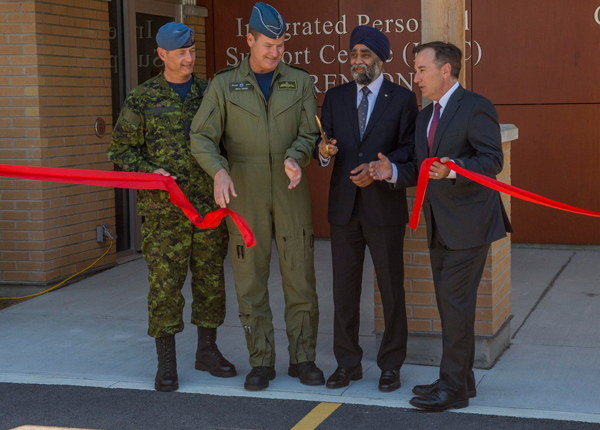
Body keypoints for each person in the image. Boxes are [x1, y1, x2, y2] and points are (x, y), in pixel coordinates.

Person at [369, 41, 512, 411]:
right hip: (439, 226)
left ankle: (453, 390)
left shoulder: (476, 106)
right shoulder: (424, 117)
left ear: (445, 70)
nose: (415, 77)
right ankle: (460, 379)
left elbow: (491, 160)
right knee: (451, 306)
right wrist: (392, 172)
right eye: (415, 70)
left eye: (421, 69)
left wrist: (453, 170)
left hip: (470, 225)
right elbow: (420, 167)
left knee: (454, 303)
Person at [190, 3, 323, 391]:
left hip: (290, 189)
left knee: (300, 277)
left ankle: (303, 358)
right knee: (250, 280)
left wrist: (297, 157)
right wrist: (218, 170)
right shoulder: (223, 84)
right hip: (243, 190)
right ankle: (261, 361)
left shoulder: (299, 82)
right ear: (249, 39)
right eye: (268, 44)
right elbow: (201, 136)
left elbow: (308, 133)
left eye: (281, 45)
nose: (275, 52)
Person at [108, 22, 235, 393]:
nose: (189, 58)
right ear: (162, 54)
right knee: (165, 287)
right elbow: (120, 151)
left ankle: (207, 352)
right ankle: (167, 362)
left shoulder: (208, 93)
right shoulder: (142, 98)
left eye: (192, 51)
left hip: (207, 207)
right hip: (165, 214)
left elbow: (226, 141)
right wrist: (151, 171)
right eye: (181, 52)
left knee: (211, 280)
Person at [315, 26, 418, 391]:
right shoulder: (336, 96)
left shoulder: (402, 99)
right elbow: (323, 141)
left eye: (365, 54)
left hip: (384, 208)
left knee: (391, 290)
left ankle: (391, 364)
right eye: (353, 53)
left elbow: (410, 150)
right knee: (344, 291)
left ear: (380, 58)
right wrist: (323, 152)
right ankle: (348, 363)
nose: (357, 60)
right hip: (344, 209)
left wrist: (381, 168)